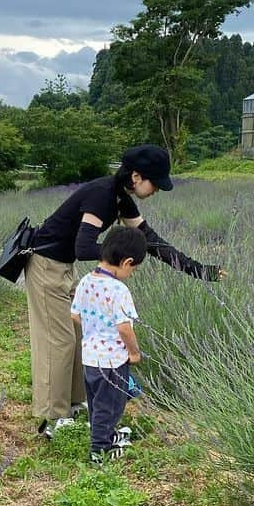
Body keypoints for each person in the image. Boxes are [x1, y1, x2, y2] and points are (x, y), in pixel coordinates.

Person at [25, 144, 222, 438]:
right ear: (136, 176)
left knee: (78, 335)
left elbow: (151, 241)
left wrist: (198, 270)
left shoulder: (120, 198)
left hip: (62, 268)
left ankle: (73, 404)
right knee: (59, 341)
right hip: (45, 266)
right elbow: (83, 247)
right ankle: (51, 419)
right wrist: (119, 253)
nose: (156, 190)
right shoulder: (102, 196)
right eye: (154, 183)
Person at [70, 227, 147, 463]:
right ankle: (99, 450)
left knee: (96, 403)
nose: (132, 274)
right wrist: (134, 352)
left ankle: (104, 435)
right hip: (113, 360)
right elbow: (124, 328)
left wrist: (95, 330)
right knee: (111, 405)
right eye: (134, 269)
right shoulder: (119, 290)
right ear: (127, 262)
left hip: (90, 357)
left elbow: (75, 315)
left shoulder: (85, 281)